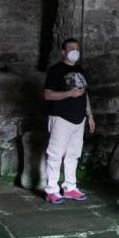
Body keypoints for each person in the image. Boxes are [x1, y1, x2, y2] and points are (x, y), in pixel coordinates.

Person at [42, 38, 96, 204]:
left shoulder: (80, 69)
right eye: (71, 48)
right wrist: (69, 94)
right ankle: (51, 190)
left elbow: (84, 94)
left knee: (73, 154)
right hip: (61, 118)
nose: (75, 51)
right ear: (63, 51)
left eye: (77, 49)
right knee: (55, 154)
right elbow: (48, 95)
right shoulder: (55, 70)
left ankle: (70, 187)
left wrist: (90, 115)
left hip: (79, 119)